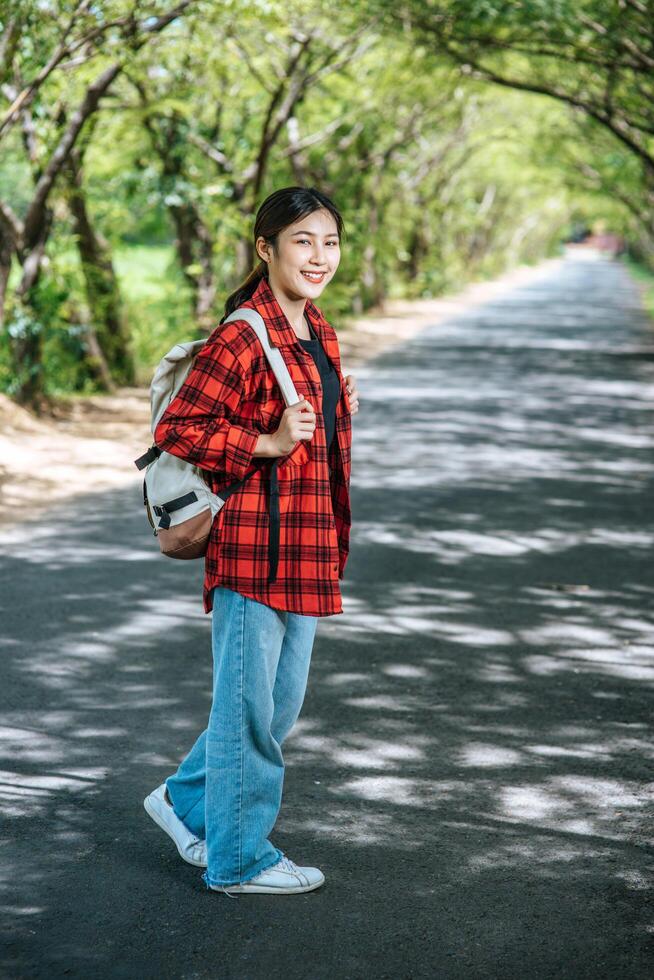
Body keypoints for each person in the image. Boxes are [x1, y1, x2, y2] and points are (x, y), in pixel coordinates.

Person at [143, 186, 359, 896]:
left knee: (275, 709)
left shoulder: (316, 330)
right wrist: (263, 439)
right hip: (253, 552)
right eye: (302, 241)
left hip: (304, 547)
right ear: (265, 248)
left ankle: (183, 801)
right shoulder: (245, 332)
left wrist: (335, 407)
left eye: (328, 241)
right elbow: (179, 428)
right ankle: (239, 860)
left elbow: (310, 439)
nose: (318, 256)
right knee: (250, 716)